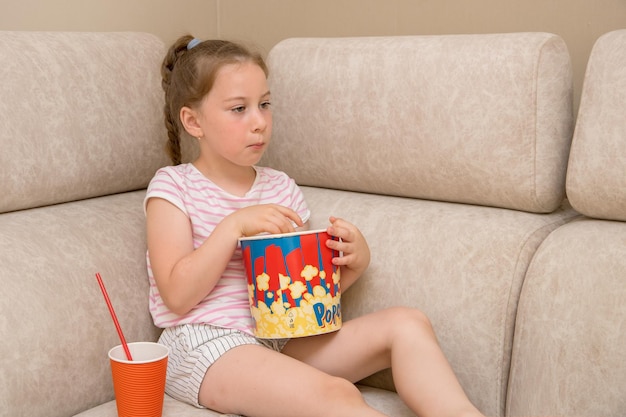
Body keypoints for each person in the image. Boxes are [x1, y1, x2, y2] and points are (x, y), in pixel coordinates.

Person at [145, 34, 486, 417]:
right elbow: (176, 294)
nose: (259, 122)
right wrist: (233, 227)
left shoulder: (281, 188)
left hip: (278, 335)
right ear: (193, 121)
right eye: (239, 109)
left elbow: (298, 300)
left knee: (408, 323)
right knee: (337, 396)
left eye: (265, 104)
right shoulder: (174, 186)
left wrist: (352, 266)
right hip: (203, 346)